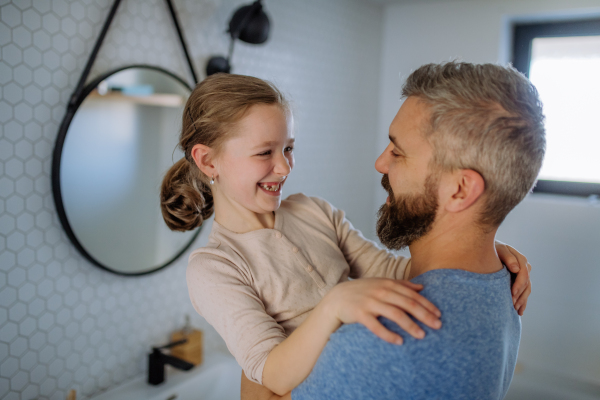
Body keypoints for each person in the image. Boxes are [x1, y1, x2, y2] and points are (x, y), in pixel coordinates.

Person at [159, 73, 532, 397]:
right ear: (208, 161)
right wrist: (335, 305)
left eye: (289, 148)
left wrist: (481, 246)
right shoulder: (215, 267)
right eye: (264, 153)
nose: (284, 166)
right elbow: (271, 372)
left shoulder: (312, 210)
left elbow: (392, 271)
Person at [284, 62, 544, 399]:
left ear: (461, 190)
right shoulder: (503, 285)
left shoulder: (381, 339)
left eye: (398, 152)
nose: (381, 163)